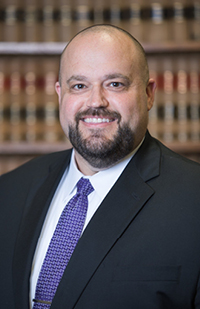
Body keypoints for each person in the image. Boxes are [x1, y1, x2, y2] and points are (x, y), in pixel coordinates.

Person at [0, 24, 200, 309]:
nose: (96, 102)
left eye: (115, 84)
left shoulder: (194, 201)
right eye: (79, 86)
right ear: (60, 94)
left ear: (148, 93)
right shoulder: (8, 192)